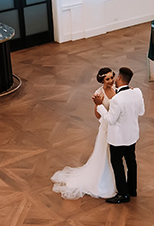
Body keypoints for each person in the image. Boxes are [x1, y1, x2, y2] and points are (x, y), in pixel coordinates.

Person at [51, 67, 117, 199]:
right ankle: (105, 181)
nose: (110, 81)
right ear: (102, 80)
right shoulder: (99, 93)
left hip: (117, 125)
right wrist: (98, 105)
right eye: (107, 79)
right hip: (106, 126)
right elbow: (97, 115)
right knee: (106, 153)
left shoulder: (116, 88)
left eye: (111, 77)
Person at [93, 66, 144, 204]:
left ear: (119, 78)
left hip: (118, 139)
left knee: (117, 164)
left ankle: (123, 194)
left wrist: (99, 105)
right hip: (132, 135)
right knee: (131, 162)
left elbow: (110, 120)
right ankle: (132, 189)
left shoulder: (117, 99)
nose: (112, 80)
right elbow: (141, 112)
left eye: (114, 77)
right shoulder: (137, 92)